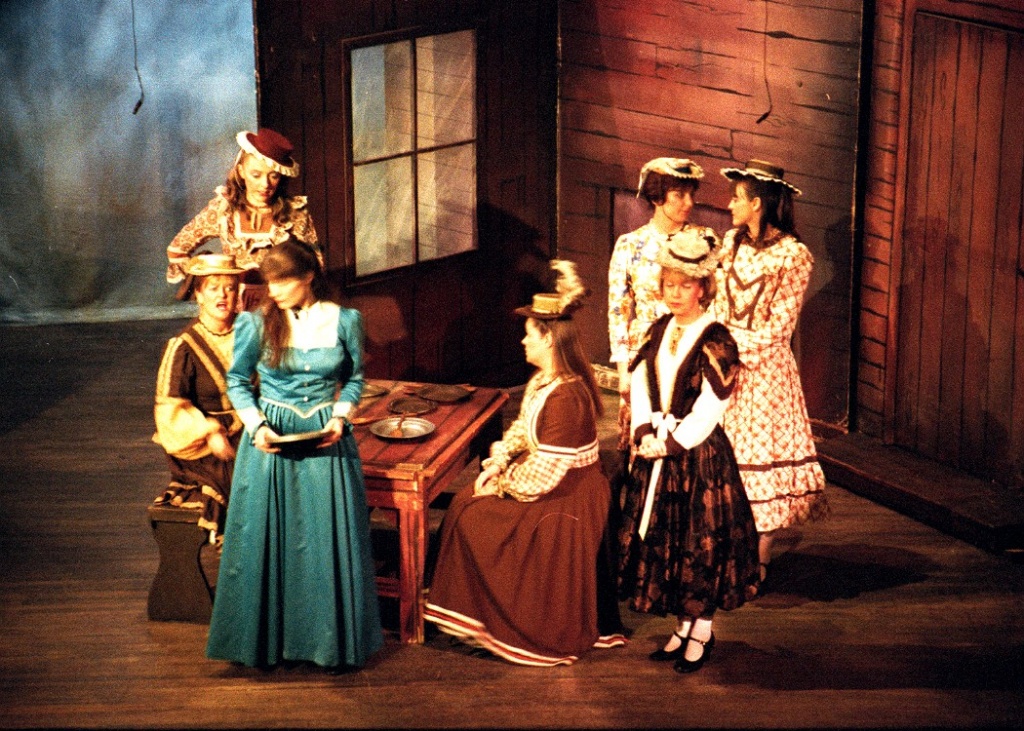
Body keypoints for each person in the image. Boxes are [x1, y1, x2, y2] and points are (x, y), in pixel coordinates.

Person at [425, 261, 627, 667]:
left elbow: (544, 475)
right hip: (549, 479)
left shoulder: (567, 396)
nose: (522, 341)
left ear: (549, 340)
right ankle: (472, 611)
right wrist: (498, 460)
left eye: (529, 334)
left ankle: (497, 616)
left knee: (474, 514)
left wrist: (500, 484)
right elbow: (522, 428)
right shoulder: (544, 380)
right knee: (466, 501)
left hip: (569, 496)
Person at [205, 239, 382, 671]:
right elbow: (237, 381)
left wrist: (340, 416)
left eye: (282, 281)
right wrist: (256, 426)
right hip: (270, 438)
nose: (274, 291)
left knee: (324, 538)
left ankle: (329, 645)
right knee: (266, 537)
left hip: (326, 437)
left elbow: (354, 378)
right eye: (270, 282)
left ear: (308, 277)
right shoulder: (255, 323)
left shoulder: (345, 321)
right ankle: (263, 643)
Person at [617, 228, 760, 674]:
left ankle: (702, 631)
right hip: (657, 452)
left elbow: (711, 407)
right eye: (668, 284)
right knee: (669, 546)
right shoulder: (660, 328)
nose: (674, 293)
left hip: (697, 458)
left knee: (699, 547)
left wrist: (671, 443)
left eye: (684, 285)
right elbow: (642, 381)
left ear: (702, 288)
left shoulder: (716, 339)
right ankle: (683, 627)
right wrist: (645, 431)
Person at [714, 160, 829, 582]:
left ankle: (760, 555)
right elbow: (718, 304)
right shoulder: (731, 242)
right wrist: (713, 346)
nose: (730, 205)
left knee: (759, 457)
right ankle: (729, 545)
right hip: (723, 369)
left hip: (764, 373)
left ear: (757, 203)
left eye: (737, 198)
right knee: (725, 455)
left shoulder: (794, 255)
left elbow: (780, 327)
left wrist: (732, 349)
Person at [608, 157, 719, 451]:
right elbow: (618, 312)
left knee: (685, 435)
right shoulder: (630, 245)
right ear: (657, 197)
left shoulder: (704, 240)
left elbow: (716, 300)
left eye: (691, 194)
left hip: (689, 349)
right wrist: (623, 371)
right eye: (679, 195)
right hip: (644, 352)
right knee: (644, 435)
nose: (688, 203)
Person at [166, 128, 322, 309]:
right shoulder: (223, 210)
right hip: (235, 309)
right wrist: (213, 276)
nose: (265, 184)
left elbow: (315, 265)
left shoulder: (295, 213)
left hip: (279, 307)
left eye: (273, 176)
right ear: (241, 171)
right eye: (256, 175)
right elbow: (177, 249)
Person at [152, 254, 244, 544]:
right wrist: (209, 431)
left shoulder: (250, 333)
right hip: (205, 445)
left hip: (250, 427)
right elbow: (169, 409)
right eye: (213, 288)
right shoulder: (182, 346)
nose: (222, 295)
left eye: (229, 288)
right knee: (249, 475)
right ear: (199, 294)